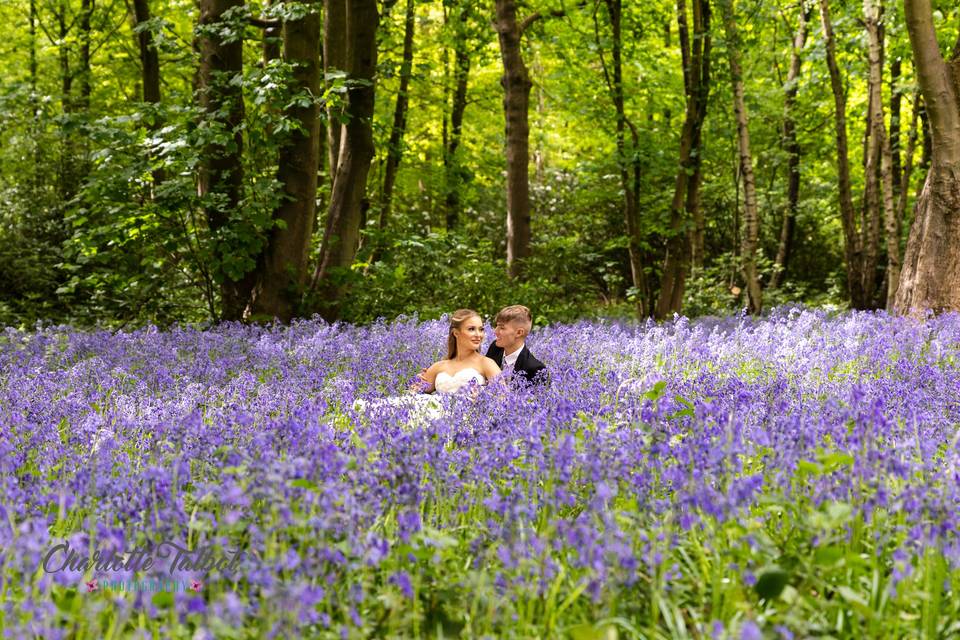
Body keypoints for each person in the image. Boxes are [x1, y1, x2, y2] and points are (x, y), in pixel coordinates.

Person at [414, 309, 501, 394]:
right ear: (456, 333)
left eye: (481, 329)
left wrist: (482, 396)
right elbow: (414, 395)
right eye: (471, 329)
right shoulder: (438, 367)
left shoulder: (486, 364)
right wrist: (416, 385)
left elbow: (504, 397)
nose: (478, 335)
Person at [485, 305, 546, 385]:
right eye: (497, 326)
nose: (495, 331)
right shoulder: (495, 348)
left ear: (519, 333)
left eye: (502, 328)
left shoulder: (535, 369)